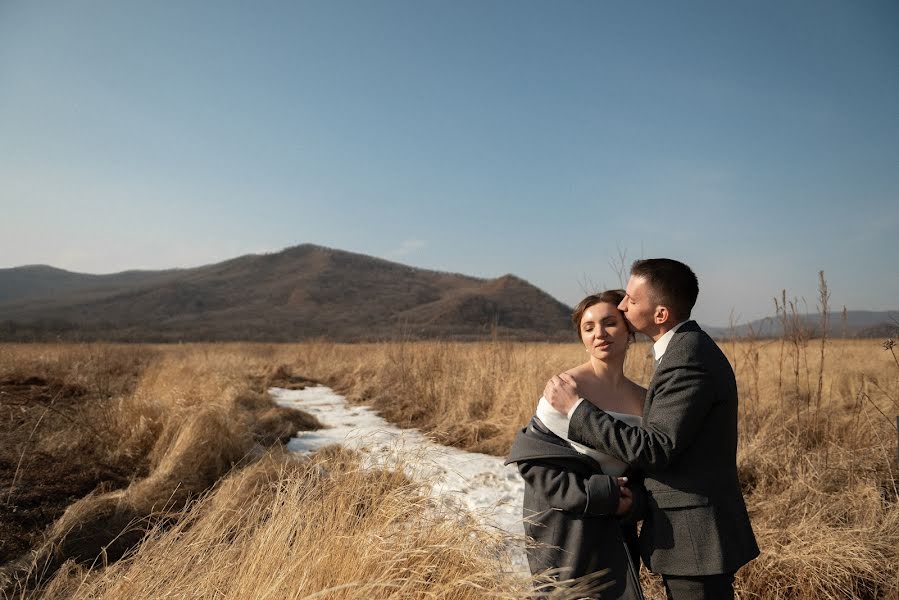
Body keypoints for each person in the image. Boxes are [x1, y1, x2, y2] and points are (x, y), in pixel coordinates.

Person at [544, 259, 759, 600]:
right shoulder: (682, 351)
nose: (622, 304)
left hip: (696, 539)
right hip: (690, 537)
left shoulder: (687, 358)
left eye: (631, 299)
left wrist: (575, 410)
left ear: (660, 315)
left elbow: (657, 447)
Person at [506, 289, 647, 599]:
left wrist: (631, 503)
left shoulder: (643, 399)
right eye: (588, 327)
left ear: (629, 329)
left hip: (615, 536)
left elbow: (647, 473)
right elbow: (534, 463)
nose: (599, 334)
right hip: (566, 533)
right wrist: (602, 495)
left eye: (610, 323)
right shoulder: (565, 388)